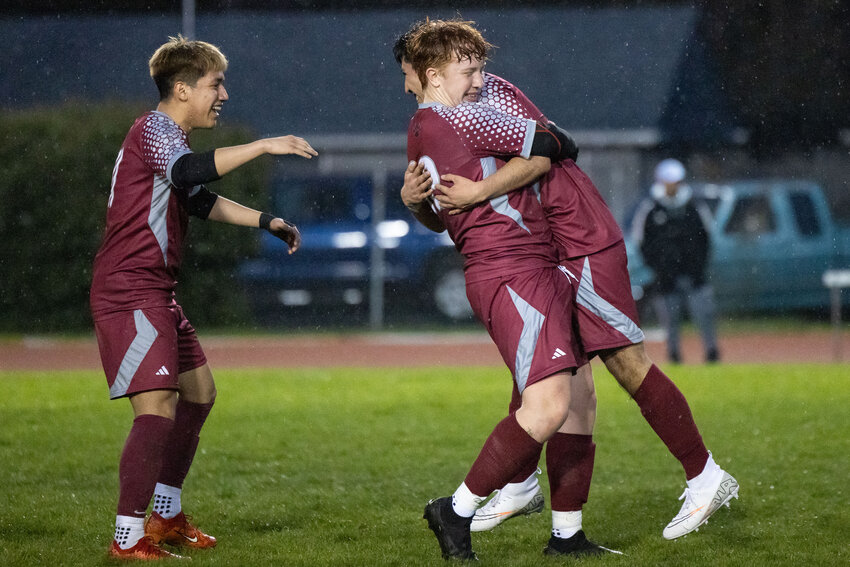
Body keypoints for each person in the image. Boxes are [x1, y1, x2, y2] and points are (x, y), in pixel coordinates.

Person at [397, 19, 738, 545]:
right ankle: (557, 524)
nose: (406, 85)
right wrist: (418, 201)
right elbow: (447, 210)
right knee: (562, 383)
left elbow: (557, 143)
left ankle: (704, 475)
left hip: (577, 238)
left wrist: (482, 188)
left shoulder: (483, 100)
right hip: (546, 249)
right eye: (471, 67)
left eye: (477, 66)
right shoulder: (439, 121)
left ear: (430, 72)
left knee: (622, 362)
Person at [402, 22, 626, 560]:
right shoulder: (459, 115)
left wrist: (417, 203)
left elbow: (442, 213)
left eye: (480, 68)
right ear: (434, 75)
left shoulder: (423, 126)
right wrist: (517, 159)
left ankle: (567, 536)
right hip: (510, 269)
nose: (481, 80)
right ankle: (455, 510)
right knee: (548, 406)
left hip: (532, 264)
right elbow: (554, 146)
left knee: (579, 399)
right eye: (469, 70)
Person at [90, 36, 317, 561]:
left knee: (199, 394)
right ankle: (127, 538)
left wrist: (266, 221)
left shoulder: (170, 139)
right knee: (157, 409)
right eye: (216, 84)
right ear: (182, 87)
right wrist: (263, 145)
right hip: (129, 289)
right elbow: (188, 173)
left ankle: (165, 517)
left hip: (155, 290)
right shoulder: (154, 129)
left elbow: (195, 197)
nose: (224, 95)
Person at [631, 158, 720, 363]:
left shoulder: (693, 207)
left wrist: (698, 266)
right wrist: (657, 267)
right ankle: (674, 354)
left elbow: (706, 238)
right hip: (666, 277)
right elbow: (641, 242)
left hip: (694, 274)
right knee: (670, 320)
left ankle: (711, 352)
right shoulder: (651, 209)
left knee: (704, 314)